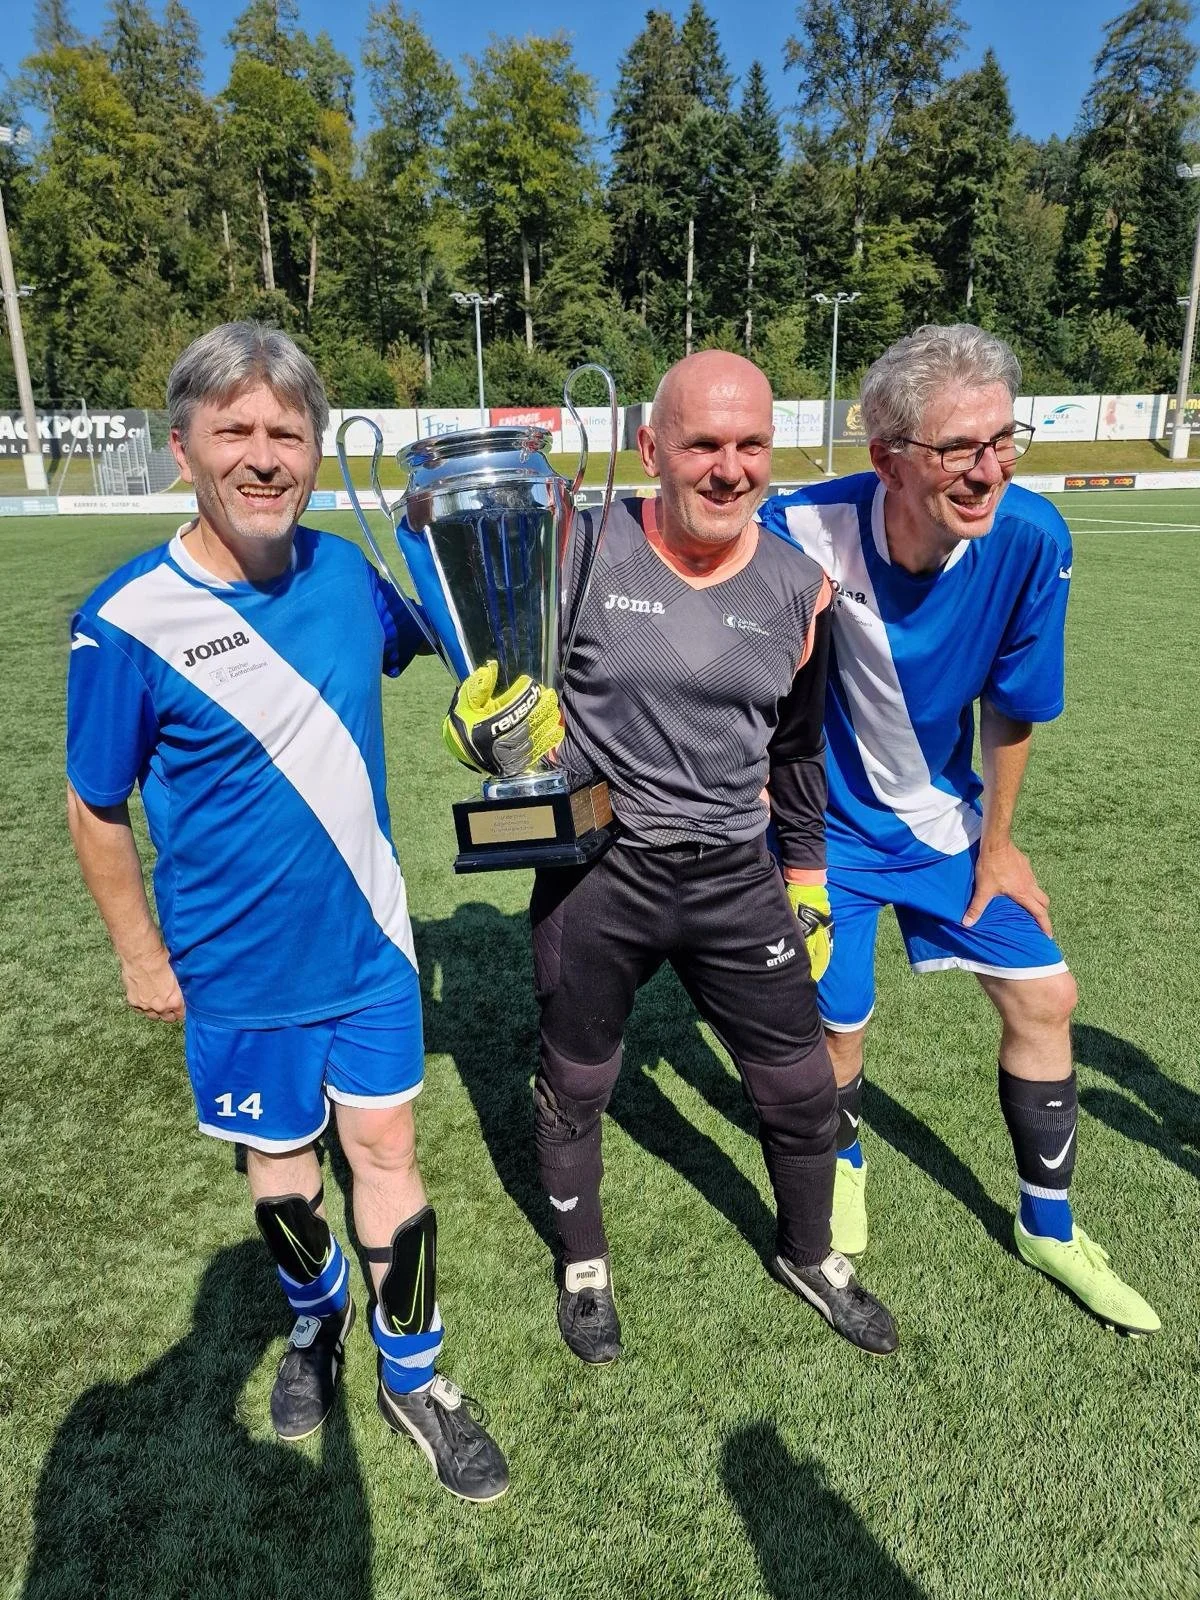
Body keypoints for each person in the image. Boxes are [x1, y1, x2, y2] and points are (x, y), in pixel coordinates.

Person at [65, 321, 510, 1502]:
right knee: (282, 1169)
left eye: (287, 432)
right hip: (236, 971)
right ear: (182, 449)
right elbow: (93, 805)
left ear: (315, 450)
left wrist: (504, 669)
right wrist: (139, 953)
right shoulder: (127, 621)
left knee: (389, 1153)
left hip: (371, 947)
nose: (264, 456)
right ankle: (315, 1319)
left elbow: (462, 640)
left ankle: (414, 1370)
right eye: (235, 431)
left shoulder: (348, 576)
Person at [447, 349, 899, 1362]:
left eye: (751, 445)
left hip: (735, 874)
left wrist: (807, 874)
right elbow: (503, 678)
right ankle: (585, 1267)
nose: (730, 469)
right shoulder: (578, 548)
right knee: (576, 1085)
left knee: (800, 1087)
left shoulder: (800, 589)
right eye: (704, 444)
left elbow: (797, 750)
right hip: (600, 872)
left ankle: (810, 1254)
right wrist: (492, 732)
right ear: (651, 449)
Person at [757, 323, 1158, 1334]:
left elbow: (1013, 704)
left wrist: (1001, 843)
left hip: (945, 825)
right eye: (959, 449)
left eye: (1003, 439)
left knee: (1047, 994)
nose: (990, 469)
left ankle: (1047, 1225)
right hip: (829, 837)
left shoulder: (1032, 538)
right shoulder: (797, 527)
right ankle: (844, 1164)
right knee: (836, 1028)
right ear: (888, 459)